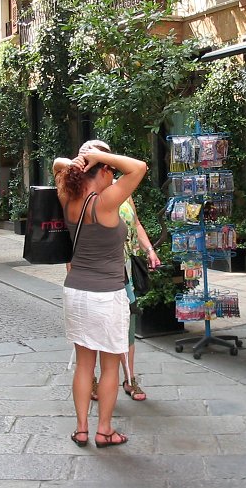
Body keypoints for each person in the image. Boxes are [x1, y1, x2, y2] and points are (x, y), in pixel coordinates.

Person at [53, 147, 146, 448]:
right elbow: (139, 167)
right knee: (109, 367)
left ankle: (81, 429)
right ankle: (104, 430)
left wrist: (79, 161)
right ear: (103, 170)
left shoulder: (68, 199)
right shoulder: (105, 203)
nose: (114, 178)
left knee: (84, 365)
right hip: (107, 295)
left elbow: (57, 165)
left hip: (75, 292)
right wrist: (100, 156)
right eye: (111, 172)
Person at [76, 140, 161, 402]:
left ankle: (129, 378)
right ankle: (92, 379)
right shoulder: (79, 192)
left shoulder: (121, 188)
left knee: (127, 326)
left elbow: (136, 223)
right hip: (93, 273)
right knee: (92, 331)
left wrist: (149, 250)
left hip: (123, 269)